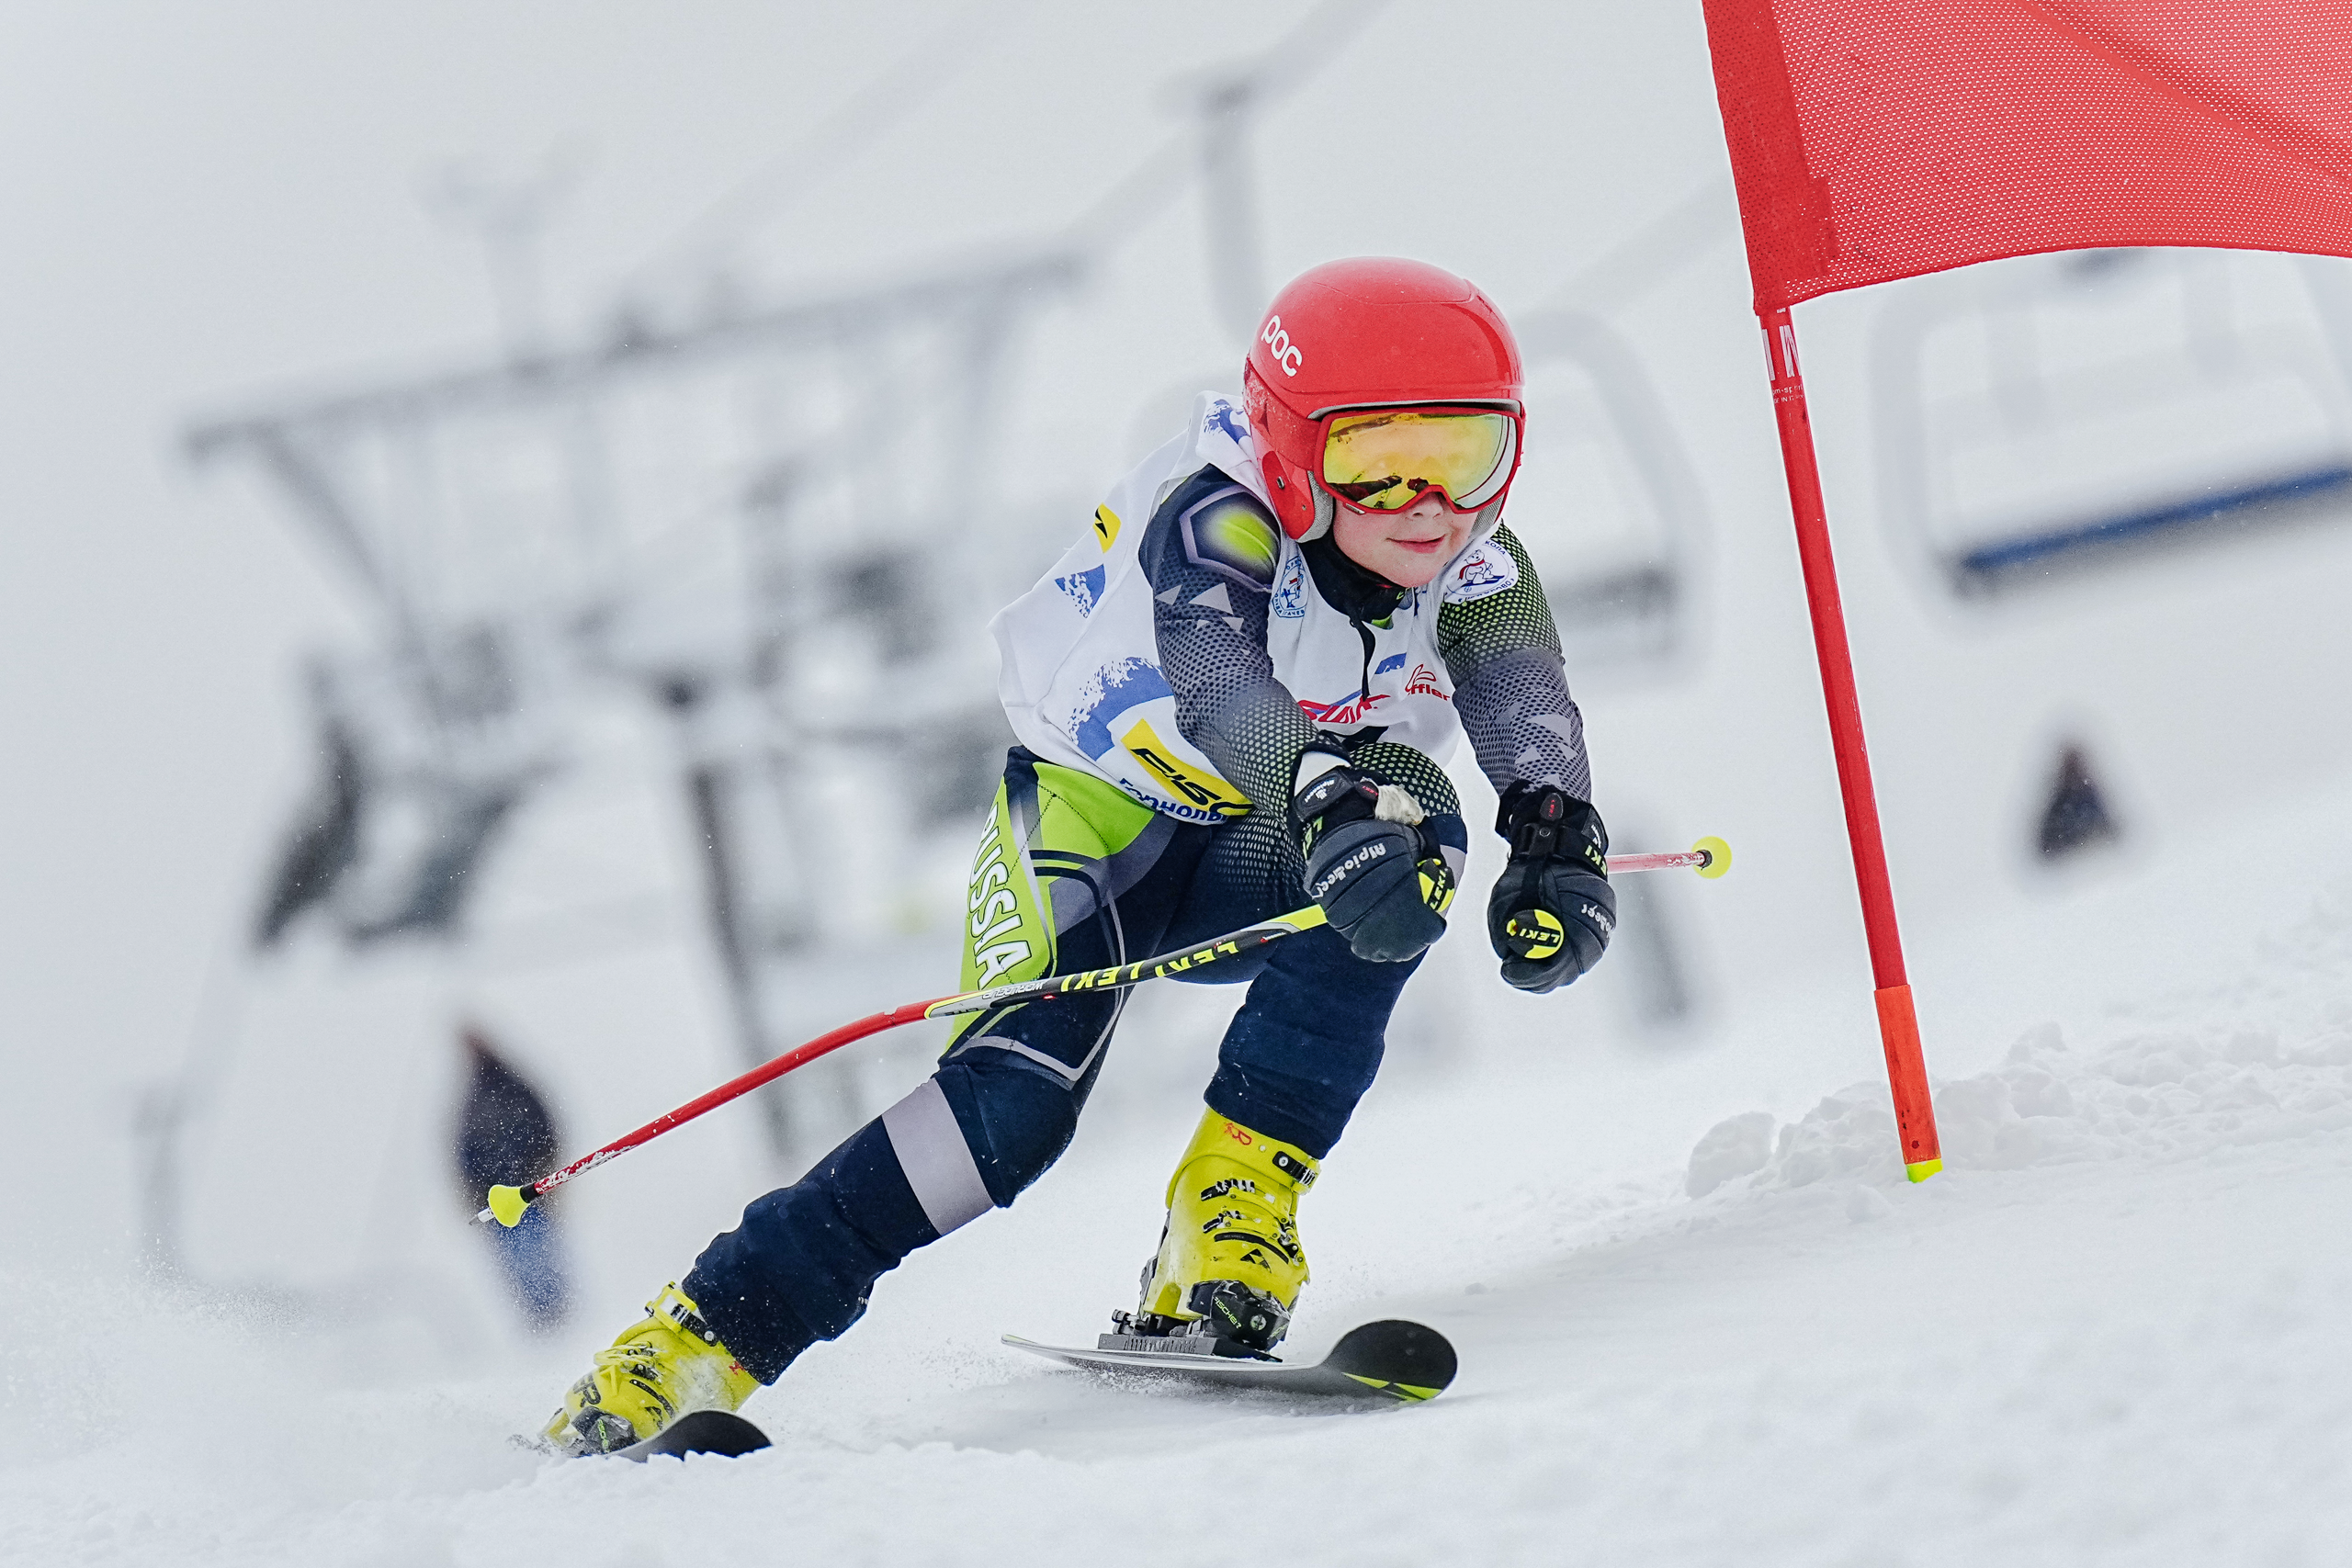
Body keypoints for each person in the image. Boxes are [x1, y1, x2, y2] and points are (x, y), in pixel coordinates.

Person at [540, 256, 1616, 1454]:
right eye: (1377, 459)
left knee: (1412, 839)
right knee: (1008, 1116)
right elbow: (1219, 679)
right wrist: (1321, 789)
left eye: (1467, 454)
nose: (1429, 502)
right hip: (1092, 827)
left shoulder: (1478, 569)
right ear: (1289, 450)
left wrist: (1555, 840)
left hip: (1255, 854)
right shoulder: (1217, 517)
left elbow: (1526, 703)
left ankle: (1226, 1220)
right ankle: (693, 1341)